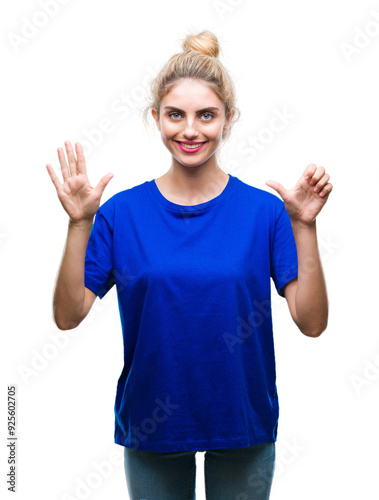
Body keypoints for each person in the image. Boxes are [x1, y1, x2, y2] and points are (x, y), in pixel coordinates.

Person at [46, 30, 332, 500]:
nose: (190, 130)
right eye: (176, 115)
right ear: (156, 117)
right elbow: (67, 315)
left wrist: (305, 226)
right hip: (154, 421)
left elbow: (313, 322)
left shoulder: (265, 212)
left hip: (242, 420)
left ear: (229, 119)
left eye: (207, 115)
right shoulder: (121, 213)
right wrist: (80, 223)